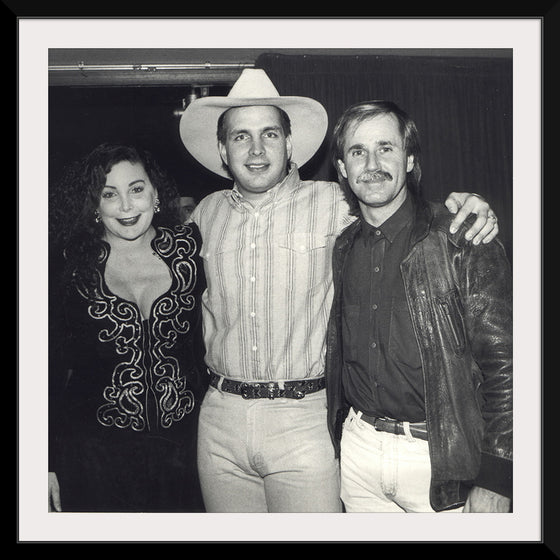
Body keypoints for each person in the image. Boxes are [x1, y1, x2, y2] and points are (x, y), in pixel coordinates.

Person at [179, 68, 500, 513]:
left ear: (290, 145)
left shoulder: (336, 202)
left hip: (303, 419)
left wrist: (469, 206)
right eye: (240, 137)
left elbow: (401, 207)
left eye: (270, 134)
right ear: (222, 149)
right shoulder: (203, 216)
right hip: (219, 419)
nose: (256, 150)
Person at [325, 100, 512, 513]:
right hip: (358, 455)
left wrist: (499, 477)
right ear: (341, 168)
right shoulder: (342, 247)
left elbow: (508, 364)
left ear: (409, 159)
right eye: (357, 151)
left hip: (440, 457)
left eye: (386, 148)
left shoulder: (461, 238)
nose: (372, 163)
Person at [48, 143, 208, 512]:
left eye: (136, 189)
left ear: (155, 194)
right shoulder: (71, 268)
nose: (125, 206)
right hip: (94, 456)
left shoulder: (191, 251)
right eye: (109, 194)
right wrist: (44, 462)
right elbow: (47, 370)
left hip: (186, 453)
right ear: (94, 206)